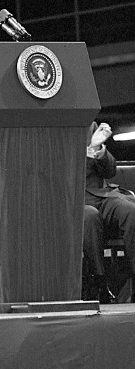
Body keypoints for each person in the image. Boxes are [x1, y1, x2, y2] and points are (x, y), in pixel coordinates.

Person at [81, 121, 135, 303]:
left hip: (101, 195)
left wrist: (101, 151)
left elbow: (110, 171)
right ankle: (100, 283)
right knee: (89, 216)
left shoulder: (90, 125)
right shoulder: (49, 129)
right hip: (73, 199)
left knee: (129, 209)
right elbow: (68, 171)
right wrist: (90, 149)